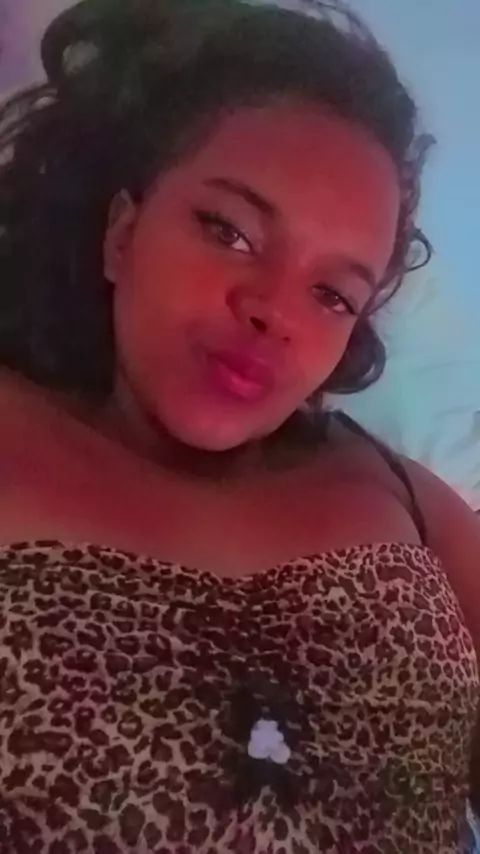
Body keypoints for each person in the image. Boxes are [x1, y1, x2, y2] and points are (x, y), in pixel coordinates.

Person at [0, 1, 478, 851]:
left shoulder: (405, 495)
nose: (272, 313)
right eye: (230, 231)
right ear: (122, 234)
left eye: (332, 294)